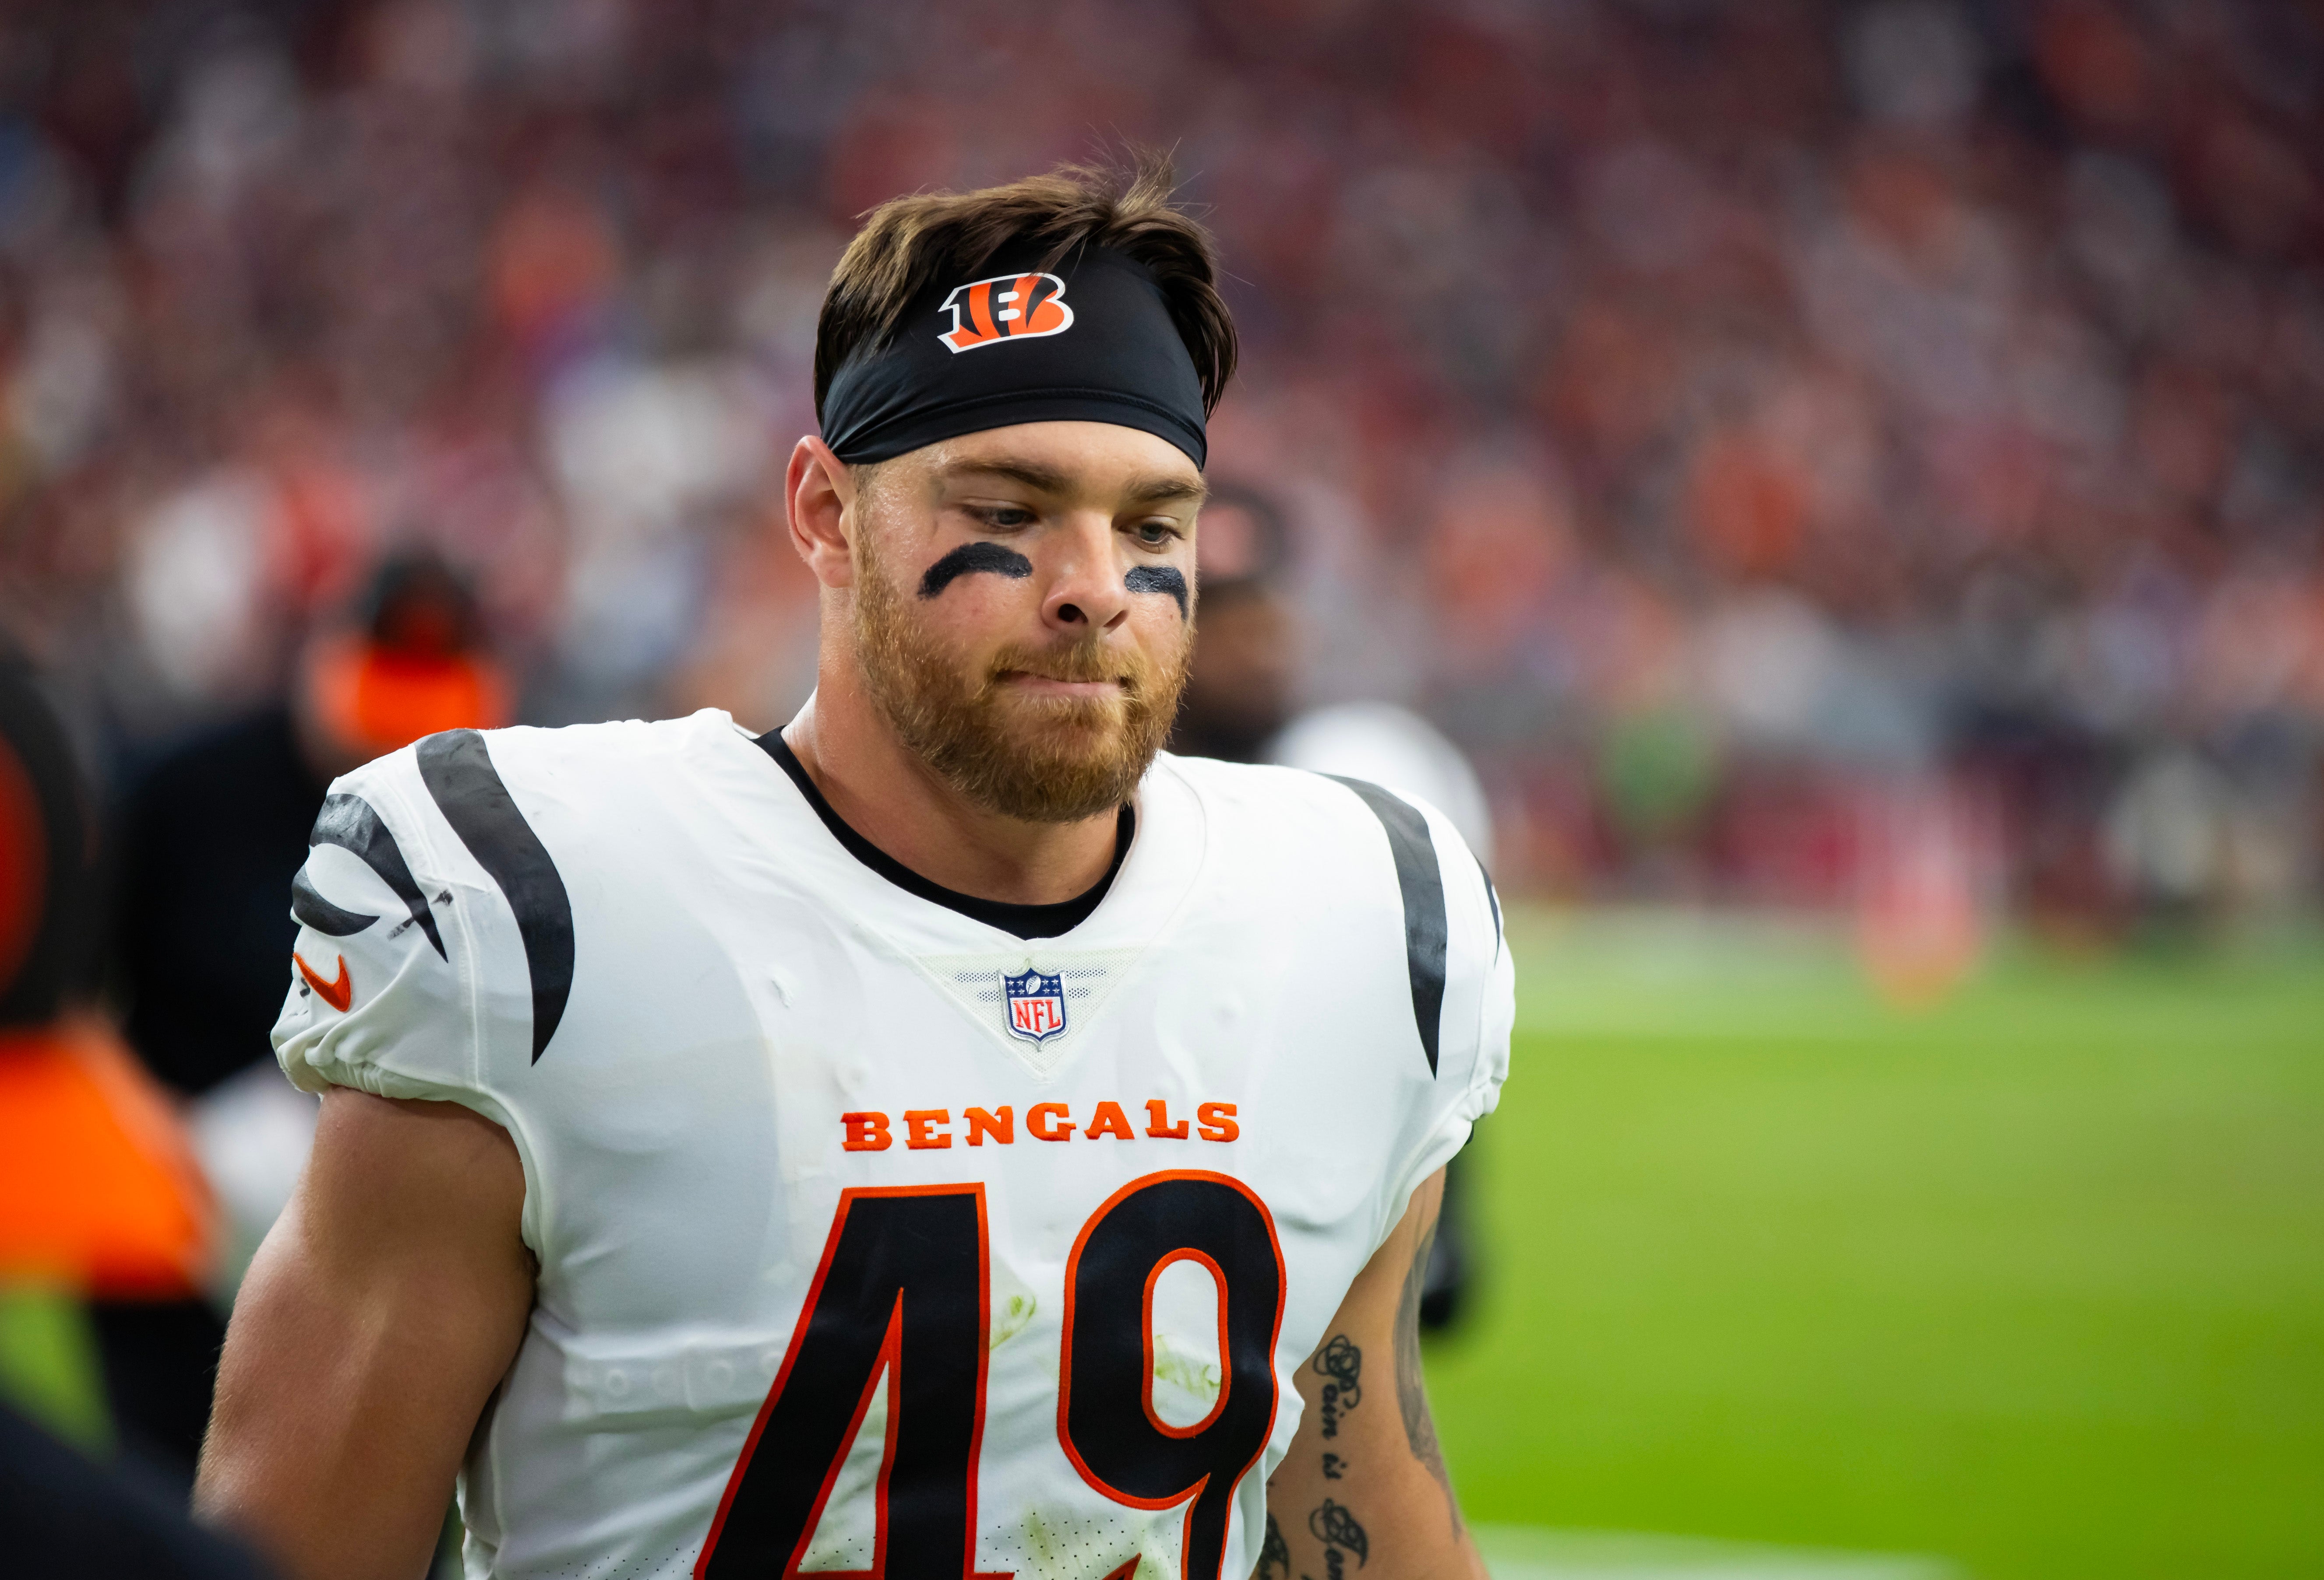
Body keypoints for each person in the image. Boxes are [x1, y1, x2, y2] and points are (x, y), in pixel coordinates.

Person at [194, 157, 1511, 1580]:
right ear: (825, 514)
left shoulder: (1354, 909)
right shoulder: (540, 916)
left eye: (1150, 524)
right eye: (1004, 509)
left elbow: (1353, 1476)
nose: (1092, 585)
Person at [103, 552, 509, 1478]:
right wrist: (163, 1138)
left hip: (388, 1209)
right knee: (169, 1496)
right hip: (179, 1205)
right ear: (318, 657)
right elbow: (85, 998)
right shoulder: (183, 794)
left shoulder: (496, 810)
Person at [1168, 484, 1496, 1330]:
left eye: (1263, 613)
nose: (1255, 646)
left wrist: (1441, 1219)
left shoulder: (1356, 781)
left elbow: (1440, 1024)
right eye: (1219, 618)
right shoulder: (1083, 800)